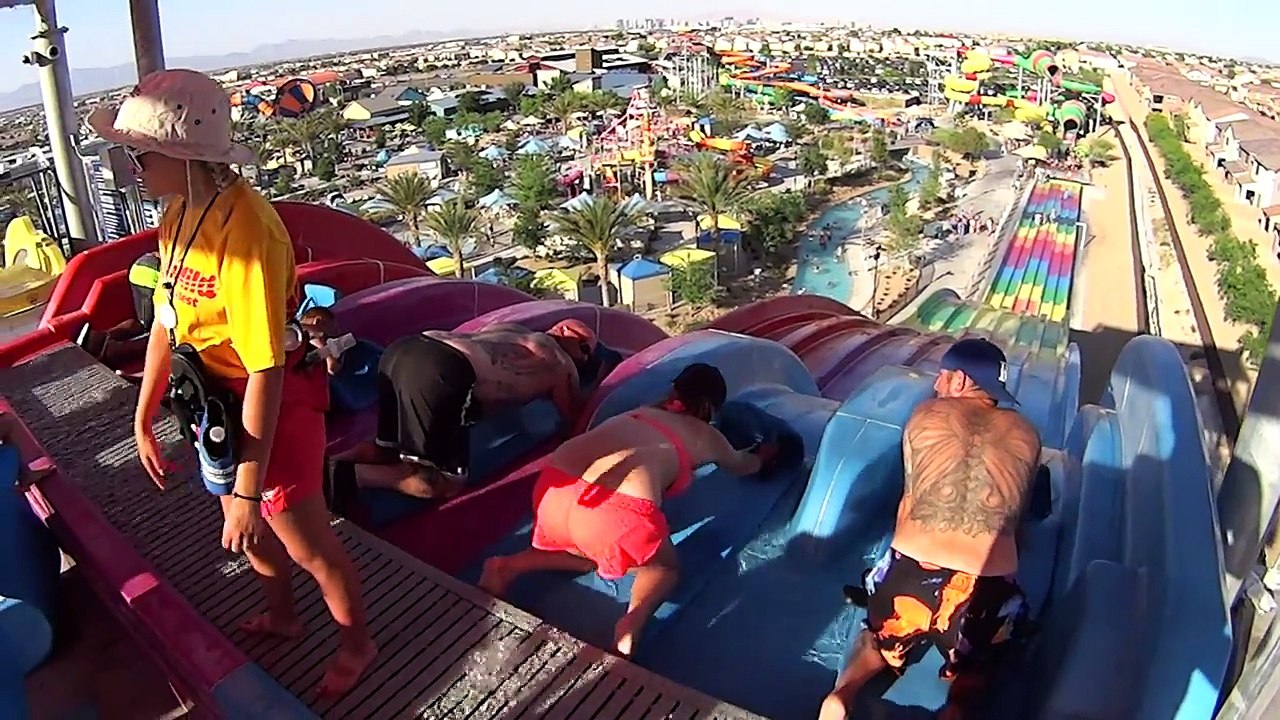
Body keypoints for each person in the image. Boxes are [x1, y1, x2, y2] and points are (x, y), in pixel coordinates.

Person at [93, 69, 375, 698]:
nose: (130, 169)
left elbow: (266, 367)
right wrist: (144, 415)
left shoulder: (247, 232)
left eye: (138, 155)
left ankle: (358, 641)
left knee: (302, 539)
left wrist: (251, 487)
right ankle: (284, 613)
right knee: (239, 528)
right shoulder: (179, 214)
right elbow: (169, 316)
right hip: (216, 401)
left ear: (180, 155)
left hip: (271, 402)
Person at [478, 363, 777, 657]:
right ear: (711, 409)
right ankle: (631, 624)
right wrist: (765, 455)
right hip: (612, 512)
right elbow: (742, 466)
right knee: (665, 568)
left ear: (674, 390)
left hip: (553, 487)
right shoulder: (706, 435)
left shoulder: (639, 412)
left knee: (589, 554)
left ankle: (507, 566)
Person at [819, 339, 1041, 720]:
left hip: (908, 578)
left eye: (941, 377)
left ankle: (842, 695)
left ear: (960, 380)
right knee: (981, 667)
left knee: (874, 641)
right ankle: (955, 707)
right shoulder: (1027, 435)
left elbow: (909, 502)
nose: (936, 387)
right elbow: (1016, 523)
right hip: (981, 593)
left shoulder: (925, 416)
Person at [334, 319, 600, 499]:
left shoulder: (510, 328)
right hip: (441, 368)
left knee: (385, 448)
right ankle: (341, 477)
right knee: (441, 482)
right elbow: (578, 419)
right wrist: (601, 381)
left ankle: (328, 464)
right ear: (575, 342)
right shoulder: (562, 363)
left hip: (404, 349)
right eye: (586, 349)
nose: (584, 357)